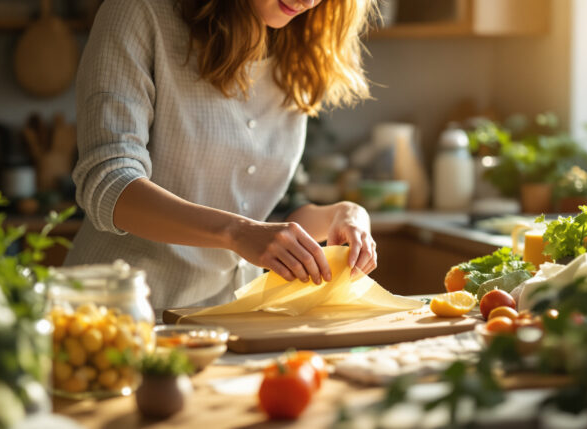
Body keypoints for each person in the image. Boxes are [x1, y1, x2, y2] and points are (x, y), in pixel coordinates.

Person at [65, 0, 379, 314]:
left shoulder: (297, 44)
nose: (308, 1)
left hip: (229, 319)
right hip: (115, 314)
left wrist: (342, 213)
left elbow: (265, 219)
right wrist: (236, 233)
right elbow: (108, 184)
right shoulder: (139, 12)